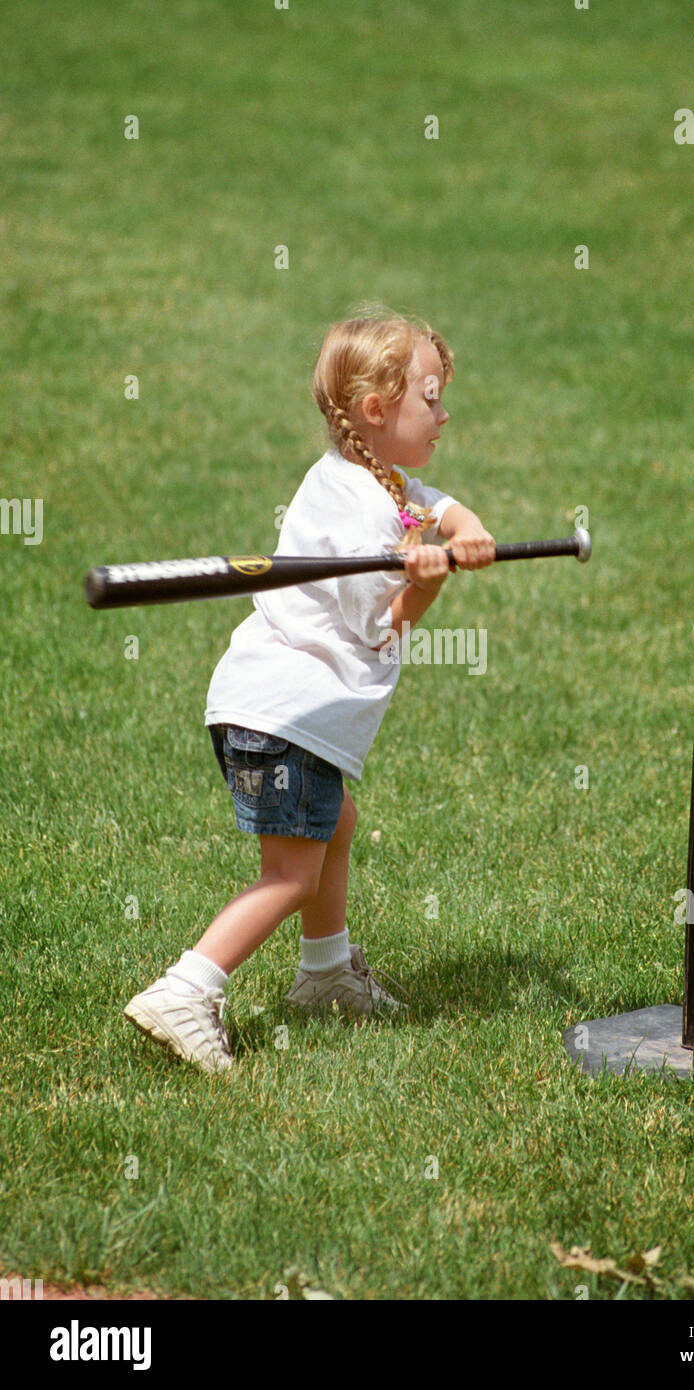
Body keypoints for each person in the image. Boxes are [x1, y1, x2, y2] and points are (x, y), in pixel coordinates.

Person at [123, 308, 496, 1072]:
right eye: (430, 397)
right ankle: (186, 988)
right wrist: (424, 585)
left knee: (336, 823)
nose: (444, 412)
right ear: (375, 409)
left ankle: (325, 974)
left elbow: (427, 498)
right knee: (291, 873)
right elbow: (380, 628)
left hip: (275, 710)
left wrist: (464, 526)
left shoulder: (372, 479)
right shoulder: (360, 514)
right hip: (282, 717)